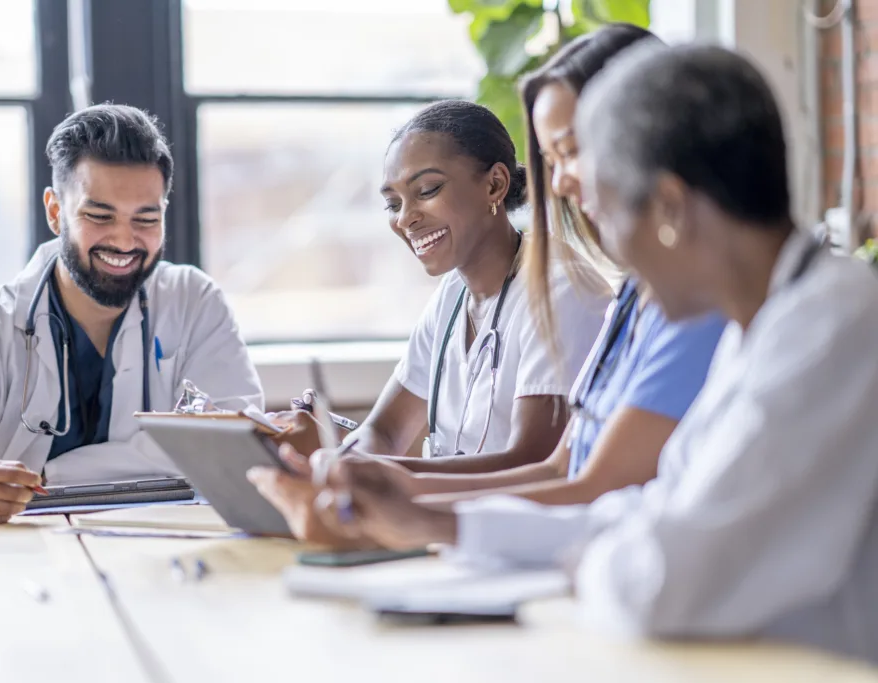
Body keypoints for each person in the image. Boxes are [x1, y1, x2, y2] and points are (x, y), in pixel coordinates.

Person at [312, 44, 878, 662]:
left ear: (668, 209)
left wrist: (582, 561)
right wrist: (432, 522)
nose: (616, 267)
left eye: (606, 212)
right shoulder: (763, 323)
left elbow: (663, 579)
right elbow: (643, 511)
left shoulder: (830, 329)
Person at [252, 25, 727, 538]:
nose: (563, 182)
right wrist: (356, 477)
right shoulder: (638, 299)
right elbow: (559, 470)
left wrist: (408, 504)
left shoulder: (626, 298)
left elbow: (567, 474)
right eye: (393, 203)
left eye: (573, 153)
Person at [0, 103, 263, 524]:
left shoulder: (195, 304)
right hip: (19, 559)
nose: (125, 240)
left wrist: (50, 475)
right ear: (55, 212)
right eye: (99, 216)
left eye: (146, 218)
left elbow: (237, 453)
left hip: (163, 553)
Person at [250, 100, 610, 541]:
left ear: (495, 184)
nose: (406, 218)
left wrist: (376, 475)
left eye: (427, 191)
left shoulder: (561, 289)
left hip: (515, 537)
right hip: (444, 528)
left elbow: (533, 460)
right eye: (393, 203)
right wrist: (344, 465)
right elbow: (384, 431)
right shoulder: (453, 296)